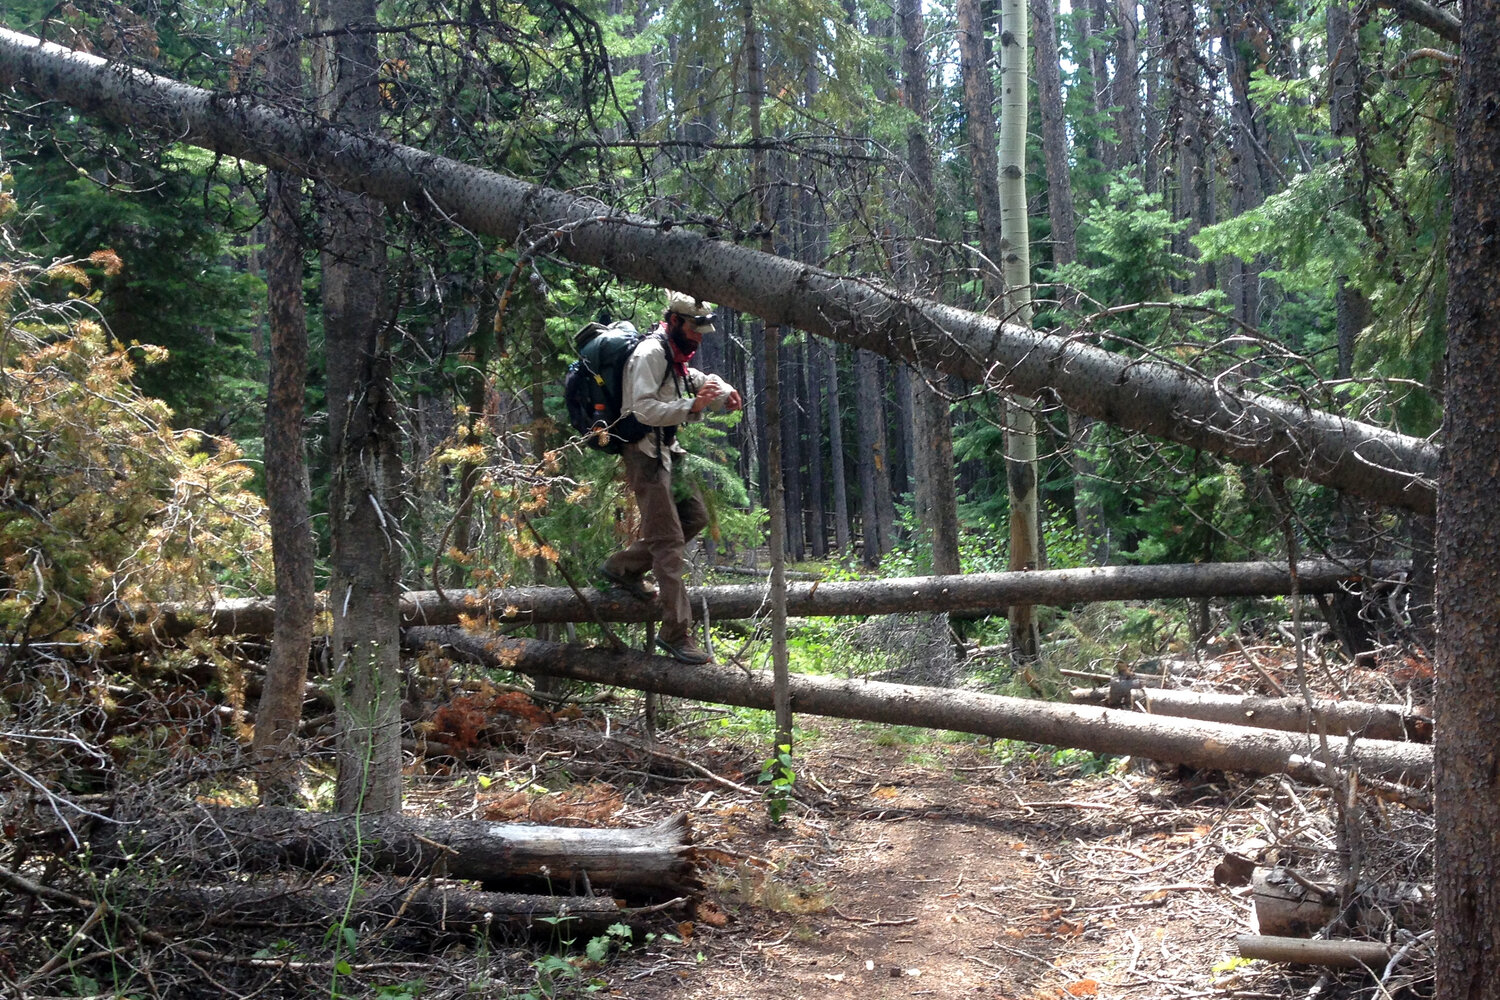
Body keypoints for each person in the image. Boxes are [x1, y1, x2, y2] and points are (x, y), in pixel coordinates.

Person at [598, 290, 742, 664]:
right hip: (644, 456)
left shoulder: (674, 353)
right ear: (676, 321)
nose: (698, 337)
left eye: (702, 331)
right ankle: (676, 633)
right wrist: (690, 407)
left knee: (695, 517)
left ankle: (622, 568)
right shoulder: (650, 353)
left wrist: (723, 392)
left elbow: (695, 378)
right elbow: (642, 409)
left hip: (667, 452)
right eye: (695, 329)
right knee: (669, 542)